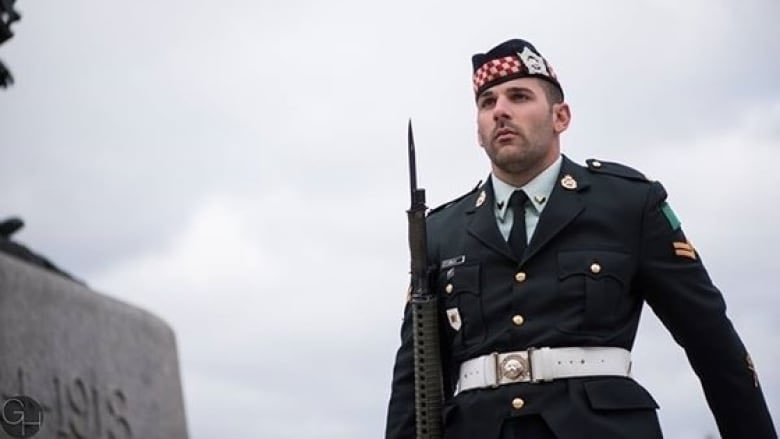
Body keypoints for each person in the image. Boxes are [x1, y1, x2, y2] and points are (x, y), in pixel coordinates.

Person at [385, 38, 776, 439]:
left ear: (561, 117)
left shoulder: (628, 204)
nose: (500, 110)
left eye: (519, 96)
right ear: (478, 131)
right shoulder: (440, 231)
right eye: (487, 102)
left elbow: (713, 346)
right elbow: (412, 383)